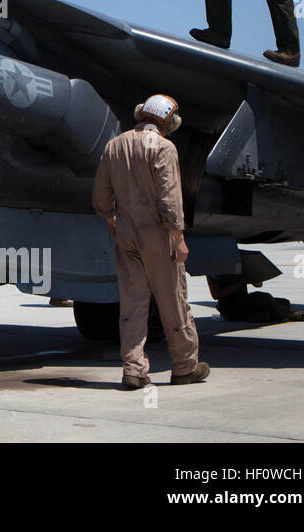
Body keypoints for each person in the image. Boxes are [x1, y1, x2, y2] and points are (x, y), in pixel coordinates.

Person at [92, 94, 210, 389]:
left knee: (132, 304)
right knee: (173, 302)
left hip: (126, 234)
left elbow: (100, 196)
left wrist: (111, 219)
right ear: (169, 120)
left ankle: (133, 369)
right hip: (159, 236)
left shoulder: (114, 145)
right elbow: (170, 197)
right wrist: (178, 237)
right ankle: (184, 367)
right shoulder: (164, 147)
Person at [207, 275, 304, 323]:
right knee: (263, 298)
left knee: (284, 302)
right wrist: (238, 284)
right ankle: (291, 315)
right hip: (228, 305)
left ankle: (254, 316)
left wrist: (253, 275)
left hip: (244, 301)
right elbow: (216, 294)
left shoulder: (240, 265)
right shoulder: (215, 269)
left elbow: (258, 284)